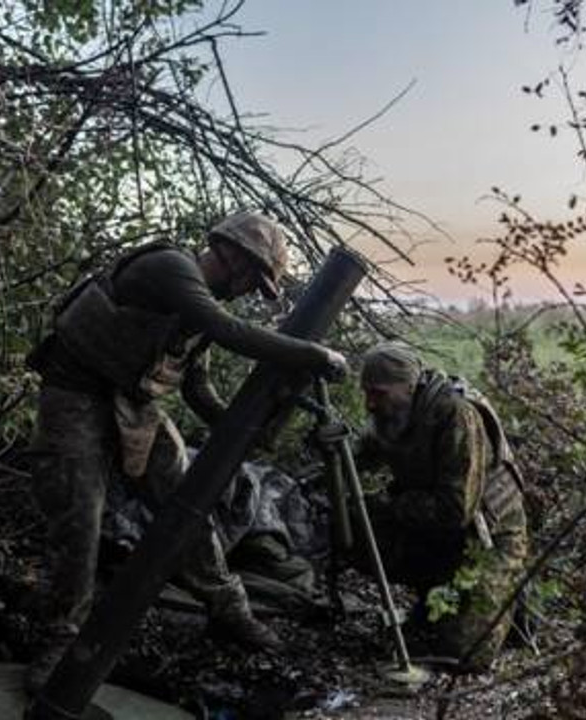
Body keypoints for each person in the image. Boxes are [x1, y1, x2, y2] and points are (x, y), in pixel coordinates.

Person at [24, 211, 347, 690]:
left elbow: (197, 389)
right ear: (231, 255)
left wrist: (240, 433)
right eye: (251, 280)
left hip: (133, 406)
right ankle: (60, 639)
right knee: (79, 522)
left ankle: (227, 607)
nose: (246, 292)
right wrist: (313, 355)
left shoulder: (196, 310)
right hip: (75, 394)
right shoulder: (172, 269)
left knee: (188, 500)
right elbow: (228, 330)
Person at [353, 342, 528, 672]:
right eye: (366, 393)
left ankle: (508, 595)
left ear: (408, 385)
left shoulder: (454, 414)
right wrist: (327, 450)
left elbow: (454, 510)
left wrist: (388, 504)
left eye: (377, 393)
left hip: (487, 539)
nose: (369, 404)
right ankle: (433, 591)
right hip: (437, 532)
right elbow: (358, 455)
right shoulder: (392, 414)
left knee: (464, 656)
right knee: (354, 531)